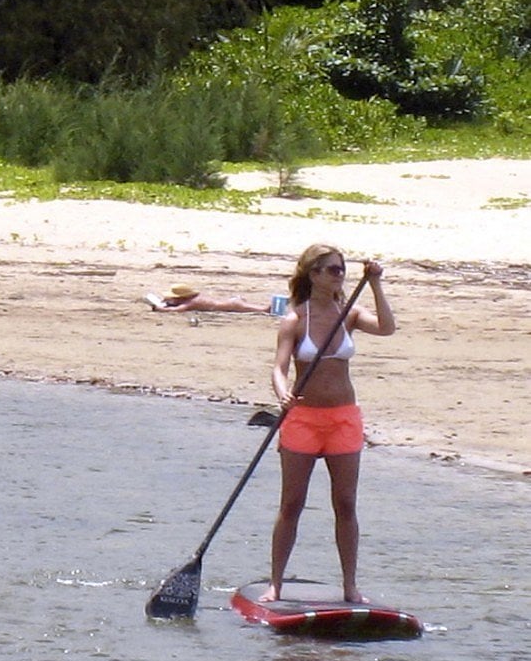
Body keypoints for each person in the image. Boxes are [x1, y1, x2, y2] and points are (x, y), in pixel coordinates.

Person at [261, 245, 395, 604]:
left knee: (345, 504)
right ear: (313, 275)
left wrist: (376, 284)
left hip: (343, 419)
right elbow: (279, 366)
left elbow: (386, 328)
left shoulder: (348, 313)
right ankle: (276, 583)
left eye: (342, 269)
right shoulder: (295, 318)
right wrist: (282, 392)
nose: (340, 275)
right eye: (333, 270)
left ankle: (350, 585)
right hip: (303, 418)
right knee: (292, 503)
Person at [144, 283, 272, 314]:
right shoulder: (193, 299)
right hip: (230, 302)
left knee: (257, 309)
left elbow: (178, 310)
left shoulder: (193, 302)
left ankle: (266, 309)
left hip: (231, 304)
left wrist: (159, 308)